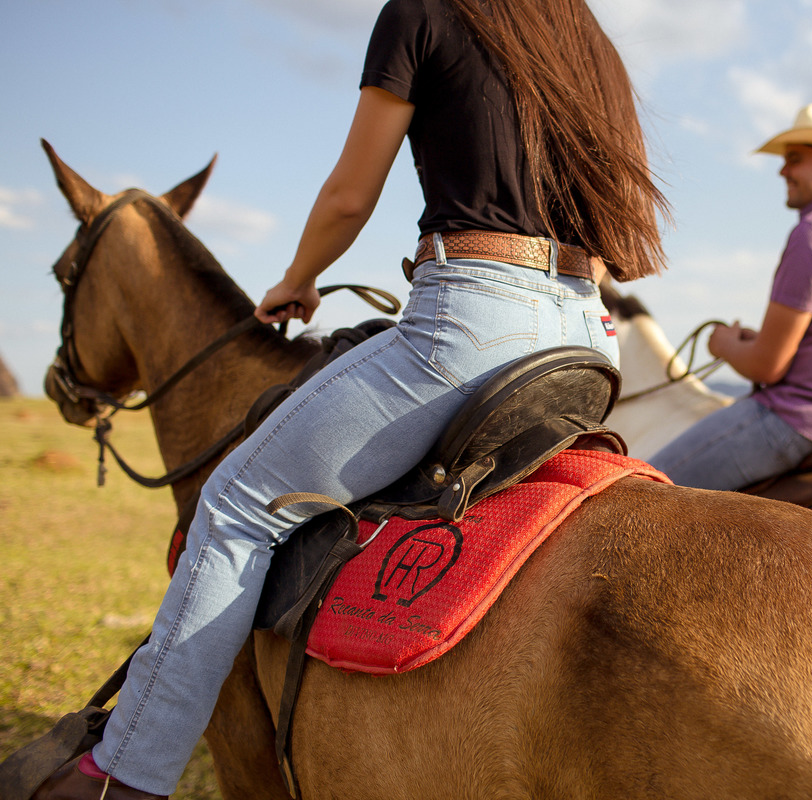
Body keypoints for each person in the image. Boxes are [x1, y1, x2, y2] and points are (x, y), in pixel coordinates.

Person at [33, 0, 666, 797]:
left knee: (235, 501)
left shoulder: (422, 11)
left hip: (473, 320)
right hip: (586, 331)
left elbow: (346, 197)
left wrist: (297, 277)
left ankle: (120, 775)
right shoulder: (585, 37)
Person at [648, 102, 812, 491]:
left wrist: (722, 345)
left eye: (795, 160)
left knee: (642, 488)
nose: (783, 171)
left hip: (806, 421)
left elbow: (766, 368)